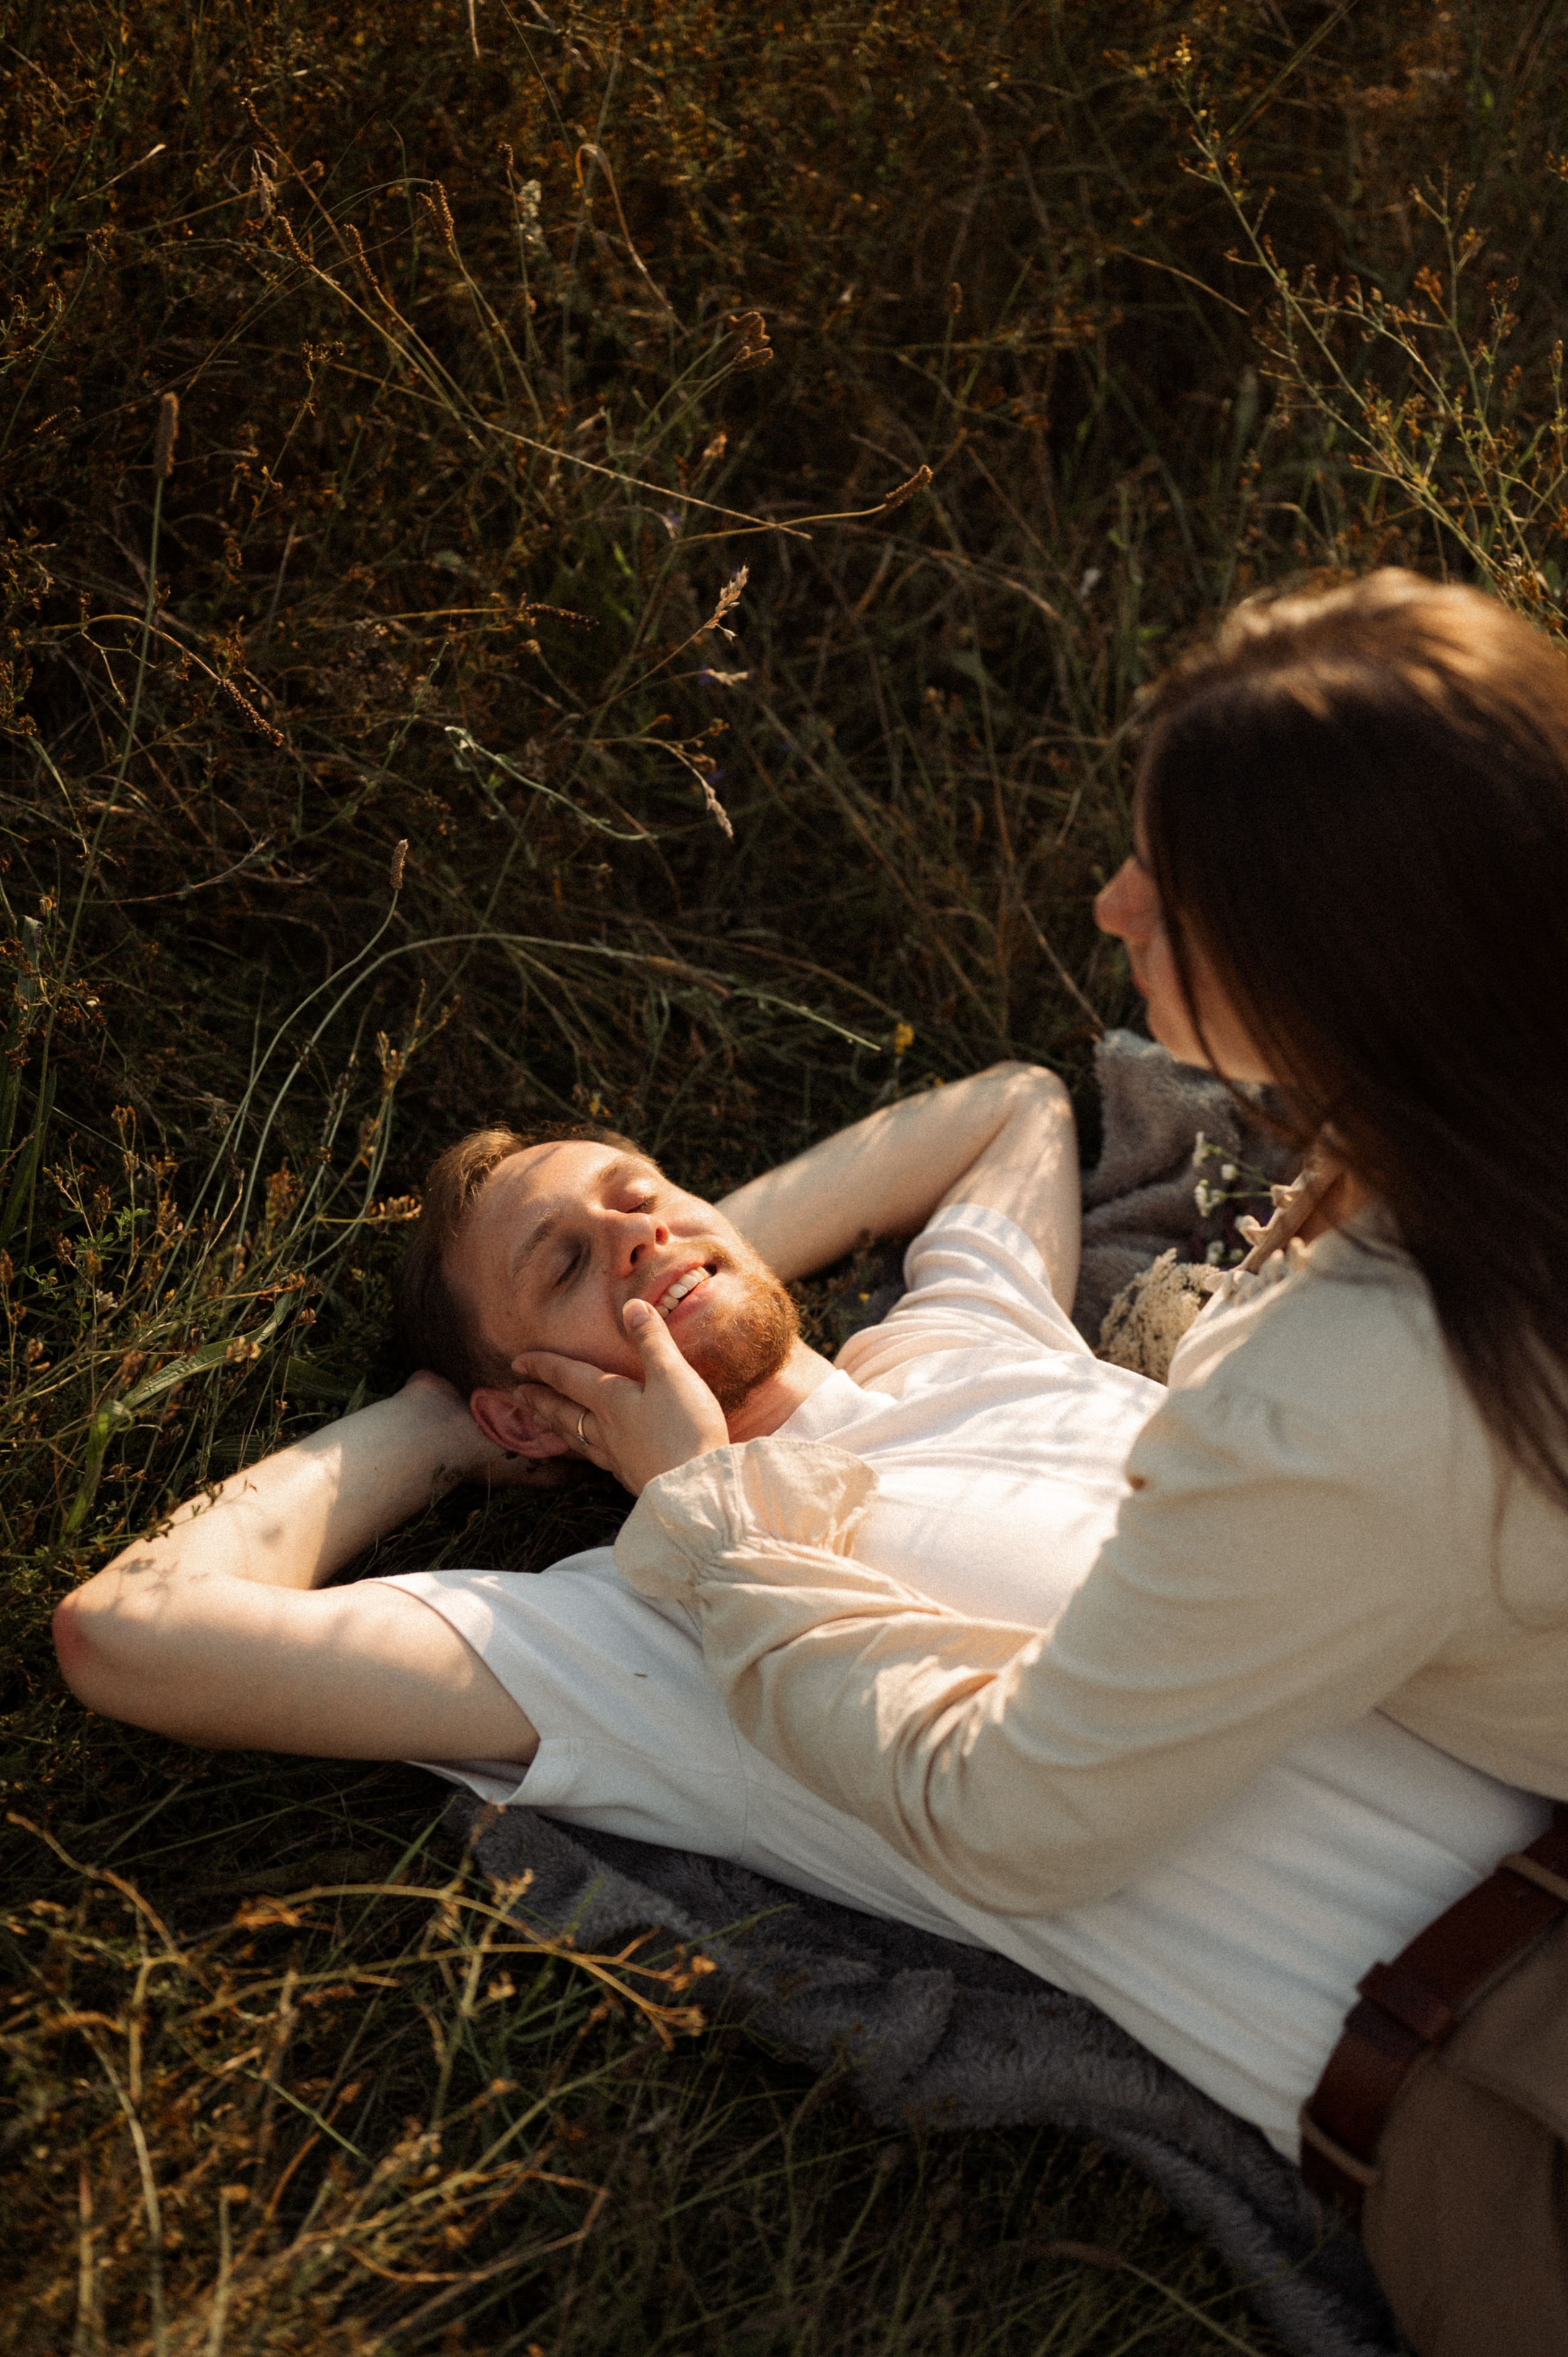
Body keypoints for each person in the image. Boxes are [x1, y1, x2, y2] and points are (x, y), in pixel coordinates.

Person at [508, 571, 1568, 2356]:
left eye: (1166, 894)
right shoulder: (1471, 1128)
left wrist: (715, 1534)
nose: (1108, 905)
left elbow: (1015, 1819)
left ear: (1334, 960)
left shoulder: (1357, 1391)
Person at [53, 1061, 1548, 2195]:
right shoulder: (628, 1633)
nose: (632, 1242)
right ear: (524, 1403)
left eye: (641, 1194)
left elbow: (1010, 1106)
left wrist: (685, 1255)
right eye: (565, 1265)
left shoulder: (962, 1336)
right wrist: (446, 1432)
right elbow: (133, 1632)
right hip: (1485, 2081)